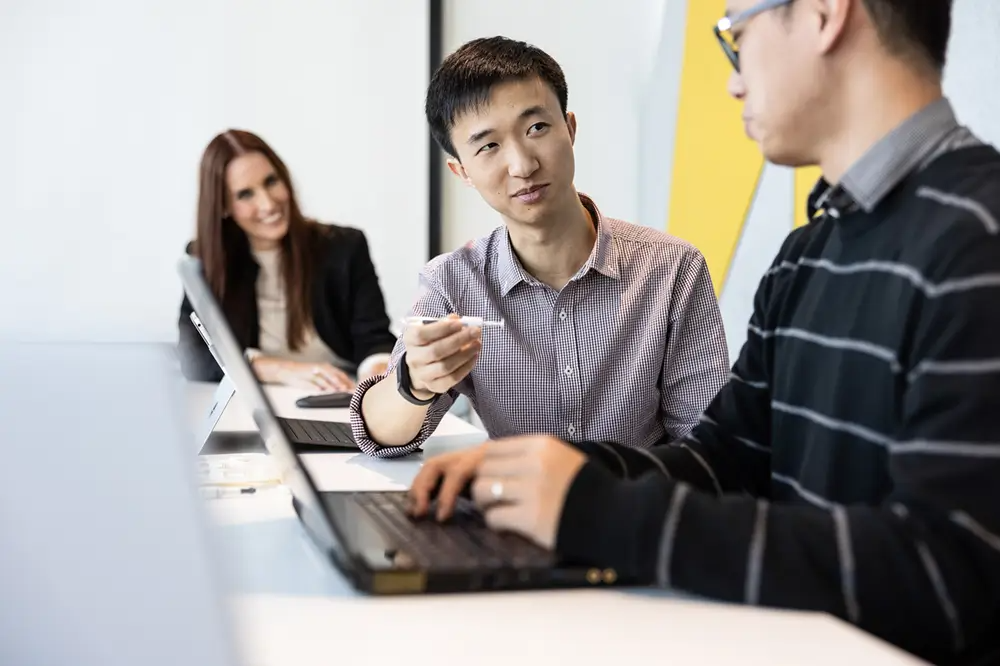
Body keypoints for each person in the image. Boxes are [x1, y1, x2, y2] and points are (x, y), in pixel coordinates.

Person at [408, 2, 1000, 663]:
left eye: (736, 36)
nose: (734, 81)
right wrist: (538, 475)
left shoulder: (981, 237)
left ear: (827, 15)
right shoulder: (810, 250)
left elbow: (948, 577)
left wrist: (596, 511)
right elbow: (728, 461)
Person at [349, 36, 731, 458]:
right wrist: (413, 382)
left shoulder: (672, 268)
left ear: (569, 128)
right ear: (462, 171)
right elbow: (381, 435)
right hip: (514, 515)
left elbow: (707, 445)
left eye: (536, 128)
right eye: (488, 146)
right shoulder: (453, 282)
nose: (522, 165)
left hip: (638, 507)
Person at [176, 129, 396, 391]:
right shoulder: (207, 260)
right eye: (245, 194)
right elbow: (194, 357)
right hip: (264, 398)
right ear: (223, 206)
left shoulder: (345, 247)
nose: (268, 204)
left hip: (338, 392)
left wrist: (374, 379)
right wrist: (279, 370)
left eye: (271, 181)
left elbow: (375, 341)